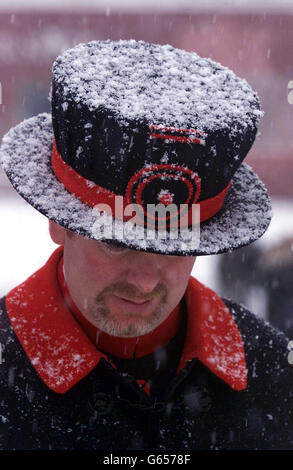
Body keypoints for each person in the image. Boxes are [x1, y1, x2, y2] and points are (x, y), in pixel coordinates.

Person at [0, 39, 292, 451]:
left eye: (175, 247)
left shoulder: (273, 372)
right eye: (118, 245)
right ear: (58, 222)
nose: (143, 281)